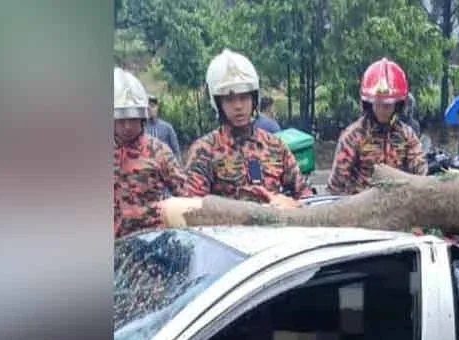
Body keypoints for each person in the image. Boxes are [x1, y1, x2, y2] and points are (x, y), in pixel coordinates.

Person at [184, 49, 312, 205]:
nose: (238, 106)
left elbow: (304, 196)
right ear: (218, 103)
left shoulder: (275, 146)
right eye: (230, 99)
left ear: (254, 99)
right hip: (226, 228)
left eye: (244, 97)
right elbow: (193, 208)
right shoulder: (204, 151)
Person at [327, 58, 427, 195]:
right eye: (377, 104)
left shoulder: (406, 135)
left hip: (398, 206)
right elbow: (336, 186)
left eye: (387, 105)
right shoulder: (353, 136)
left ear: (398, 105)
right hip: (361, 208)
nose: (382, 110)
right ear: (368, 104)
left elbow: (421, 171)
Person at [113, 67, 188, 238]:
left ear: (142, 117)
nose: (127, 126)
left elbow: (186, 197)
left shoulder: (159, 152)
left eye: (132, 119)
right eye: (121, 119)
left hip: (153, 245)